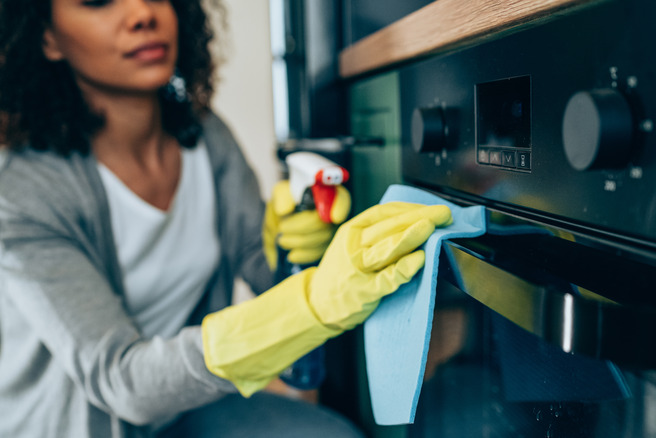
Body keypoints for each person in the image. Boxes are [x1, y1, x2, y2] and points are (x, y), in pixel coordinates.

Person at [0, 1, 452, 437]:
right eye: (98, 1)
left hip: (190, 405)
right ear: (48, 38)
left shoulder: (205, 135)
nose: (142, 14)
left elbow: (261, 268)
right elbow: (123, 382)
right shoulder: (21, 196)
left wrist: (298, 250)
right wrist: (314, 302)